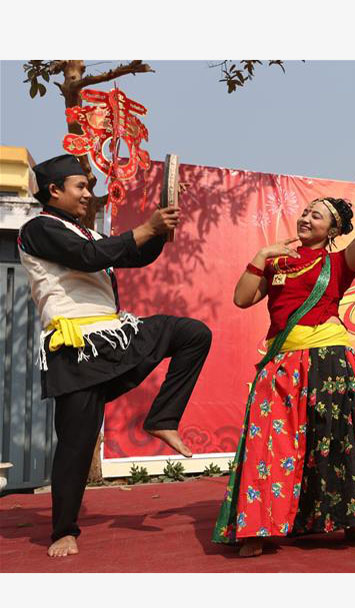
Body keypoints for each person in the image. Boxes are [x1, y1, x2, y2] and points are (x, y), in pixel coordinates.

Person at [17, 154, 212, 557]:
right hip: (75, 347)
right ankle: (63, 531)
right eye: (81, 187)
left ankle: (162, 418)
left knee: (192, 334)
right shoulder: (38, 229)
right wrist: (147, 227)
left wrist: (160, 227)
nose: (89, 194)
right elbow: (91, 258)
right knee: (77, 442)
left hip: (115, 336)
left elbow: (134, 254)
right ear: (54, 191)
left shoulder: (83, 232)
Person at [214, 142, 355, 557]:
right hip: (282, 364)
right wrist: (260, 256)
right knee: (269, 445)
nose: (306, 217)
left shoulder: (340, 263)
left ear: (332, 231)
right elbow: (242, 300)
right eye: (306, 211)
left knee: (338, 443)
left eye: (318, 215)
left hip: (330, 362)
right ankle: (258, 528)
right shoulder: (277, 262)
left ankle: (353, 521)